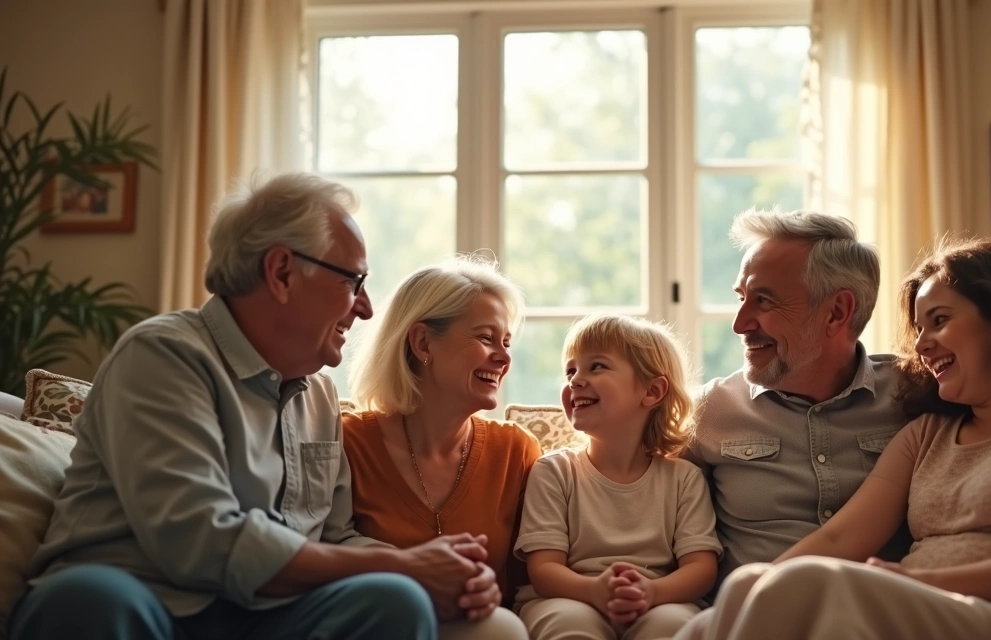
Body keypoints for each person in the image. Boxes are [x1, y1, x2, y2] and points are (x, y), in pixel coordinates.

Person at [8, 173, 494, 640]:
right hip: (146, 598)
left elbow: (333, 537)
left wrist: (442, 571)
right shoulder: (163, 356)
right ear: (282, 272)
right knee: (89, 598)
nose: (365, 308)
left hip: (264, 616)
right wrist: (402, 564)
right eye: (353, 282)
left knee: (393, 600)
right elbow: (199, 540)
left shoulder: (319, 395)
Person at [675, 238, 991, 640]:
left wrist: (921, 578)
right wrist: (747, 597)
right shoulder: (927, 432)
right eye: (919, 328)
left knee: (795, 587)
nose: (920, 345)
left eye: (939, 321)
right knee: (745, 586)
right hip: (930, 610)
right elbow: (840, 536)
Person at [686, 208, 908, 589]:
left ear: (837, 312)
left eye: (764, 301)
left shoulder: (915, 395)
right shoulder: (711, 409)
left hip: (876, 615)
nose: (740, 324)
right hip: (754, 619)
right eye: (741, 297)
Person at [341, 255, 541, 639]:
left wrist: (488, 589)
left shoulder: (516, 452)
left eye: (506, 342)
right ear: (422, 343)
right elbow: (326, 556)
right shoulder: (348, 443)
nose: (503, 357)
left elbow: (529, 582)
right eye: (485, 338)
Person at [515, 314, 722, 640]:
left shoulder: (684, 479)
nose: (575, 380)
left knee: (674, 625)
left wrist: (651, 594)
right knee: (568, 624)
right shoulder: (554, 471)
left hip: (658, 598)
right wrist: (595, 591)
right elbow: (543, 570)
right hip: (569, 597)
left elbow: (701, 569)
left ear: (652, 391)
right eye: (571, 370)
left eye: (596, 366)